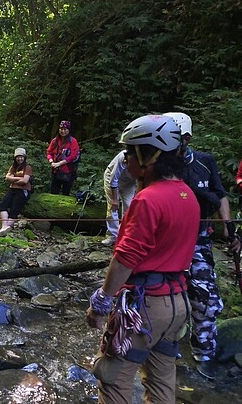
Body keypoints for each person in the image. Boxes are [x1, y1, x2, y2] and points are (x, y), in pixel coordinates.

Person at [86, 114, 200, 404]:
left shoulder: (149, 200)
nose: (125, 160)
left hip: (145, 307)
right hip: (177, 304)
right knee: (162, 383)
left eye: (129, 153)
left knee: (113, 379)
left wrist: (101, 303)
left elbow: (126, 258)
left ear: (149, 155)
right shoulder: (187, 194)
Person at [163, 111, 240, 380]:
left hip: (199, 240)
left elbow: (220, 196)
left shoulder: (204, 162)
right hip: (168, 243)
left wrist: (229, 229)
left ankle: (203, 353)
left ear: (186, 138)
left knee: (206, 300)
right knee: (164, 296)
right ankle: (163, 350)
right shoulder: (160, 164)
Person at [0, 148, 33, 237]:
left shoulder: (27, 167)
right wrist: (19, 179)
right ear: (15, 158)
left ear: (24, 157)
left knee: (14, 210)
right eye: (18, 157)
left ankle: (4, 229)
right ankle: (4, 227)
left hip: (23, 190)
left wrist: (13, 179)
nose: (20, 159)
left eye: (21, 157)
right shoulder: (13, 167)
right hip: (12, 189)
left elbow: (25, 181)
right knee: (2, 206)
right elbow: (7, 177)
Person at [101, 150, 136, 246]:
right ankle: (112, 235)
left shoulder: (146, 158)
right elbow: (113, 179)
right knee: (112, 207)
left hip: (129, 183)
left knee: (130, 207)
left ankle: (124, 234)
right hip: (111, 179)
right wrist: (115, 199)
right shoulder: (123, 157)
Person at [47, 120, 80, 195]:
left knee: (65, 193)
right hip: (56, 171)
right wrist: (51, 161)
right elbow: (49, 152)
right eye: (61, 129)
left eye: (65, 129)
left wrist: (59, 163)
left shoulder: (73, 141)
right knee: (53, 192)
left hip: (68, 171)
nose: (63, 131)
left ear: (68, 130)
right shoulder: (55, 141)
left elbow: (73, 156)